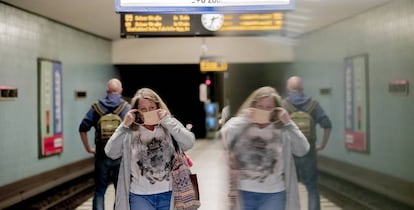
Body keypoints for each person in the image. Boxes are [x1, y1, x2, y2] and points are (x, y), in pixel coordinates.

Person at [104, 87, 196, 210]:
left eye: (152, 108)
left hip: (169, 193)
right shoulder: (130, 131)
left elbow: (189, 142)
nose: (148, 112)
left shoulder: (168, 125)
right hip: (139, 196)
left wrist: (168, 121)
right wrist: (123, 126)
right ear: (136, 111)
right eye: (143, 109)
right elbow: (111, 152)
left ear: (158, 107)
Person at [220, 86, 310, 210]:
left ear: (275, 110)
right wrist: (245, 118)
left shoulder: (281, 130)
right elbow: (225, 134)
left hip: (274, 193)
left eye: (268, 108)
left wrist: (289, 123)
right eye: (260, 107)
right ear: (253, 106)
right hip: (244, 191)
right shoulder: (242, 125)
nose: (264, 110)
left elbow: (303, 149)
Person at [79, 78, 130, 210]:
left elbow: (82, 128)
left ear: (107, 90)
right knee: (120, 191)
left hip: (101, 155)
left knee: (100, 190)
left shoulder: (96, 107)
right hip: (120, 157)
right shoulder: (126, 108)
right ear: (121, 90)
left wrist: (89, 149)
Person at [283, 76, 332, 210]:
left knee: (287, 187)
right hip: (309, 151)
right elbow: (327, 125)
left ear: (288, 89)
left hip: (290, 152)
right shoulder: (313, 105)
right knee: (312, 186)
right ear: (302, 88)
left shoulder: (284, 106)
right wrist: (322, 145)